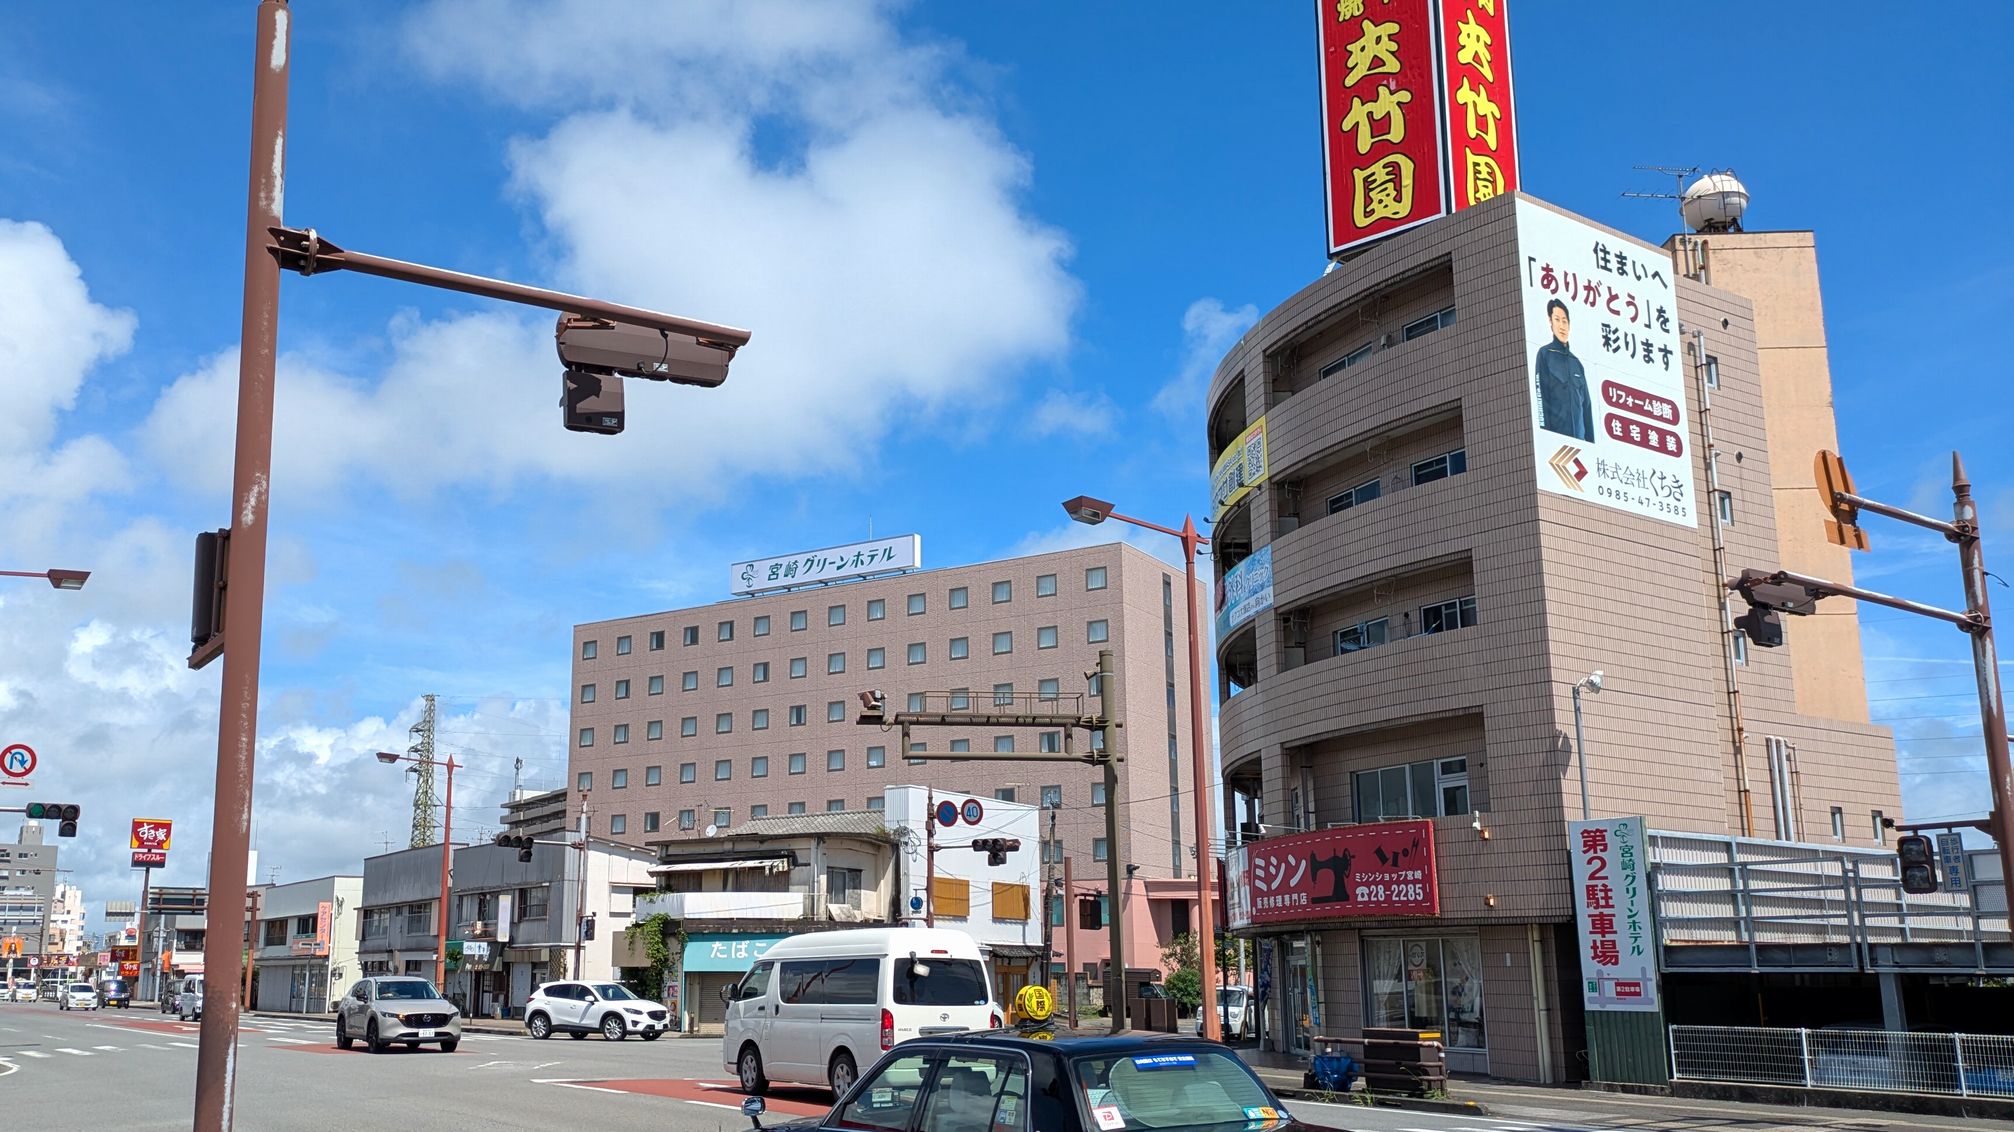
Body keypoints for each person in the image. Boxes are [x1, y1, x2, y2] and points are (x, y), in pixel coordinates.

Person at [1534, 298, 1595, 442]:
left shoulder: (1577, 364)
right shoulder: (1545, 354)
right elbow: (1542, 398)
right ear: (1550, 322)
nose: (1562, 326)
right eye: (1557, 320)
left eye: (1565, 321)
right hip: (1558, 443)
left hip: (1580, 444)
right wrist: (1547, 438)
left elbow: (1587, 408)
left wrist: (1592, 447)